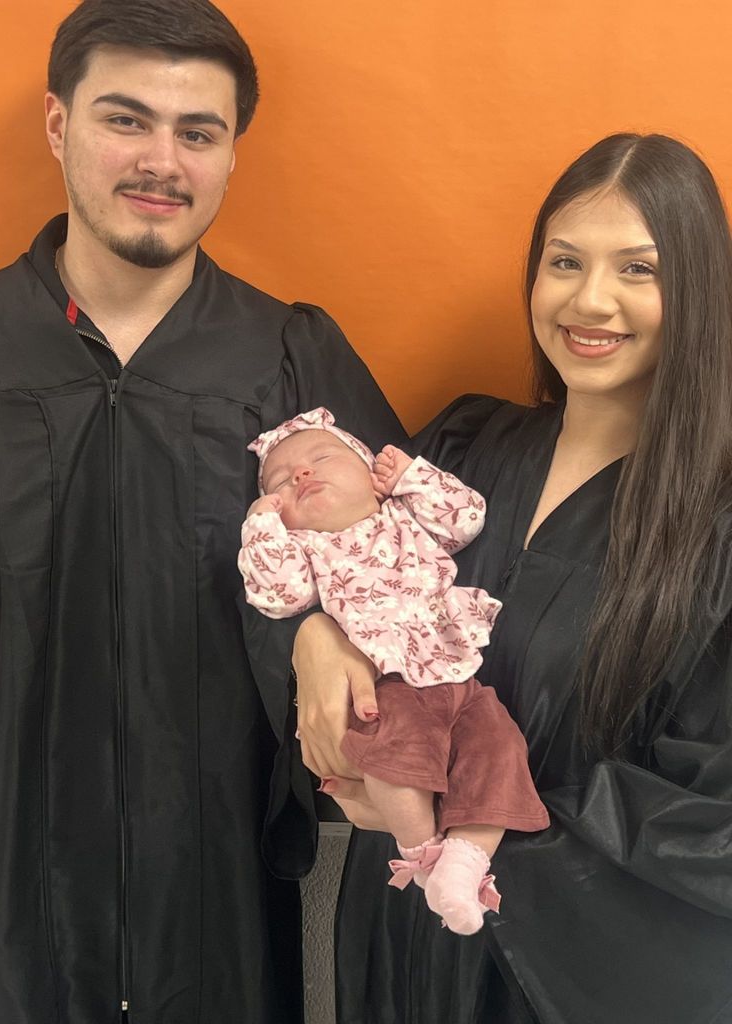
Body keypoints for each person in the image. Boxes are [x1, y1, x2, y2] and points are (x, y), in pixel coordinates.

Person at [0, 2, 404, 1022]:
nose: (161, 159)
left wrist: (324, 626)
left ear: (229, 154)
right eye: (125, 119)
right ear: (55, 121)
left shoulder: (289, 359)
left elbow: (408, 581)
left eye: (197, 132)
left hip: (218, 894)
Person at [292, 134, 732, 1023]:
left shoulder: (715, 522)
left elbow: (711, 814)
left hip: (575, 965)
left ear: (700, 292)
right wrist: (311, 633)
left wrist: (475, 817)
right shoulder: (464, 448)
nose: (590, 299)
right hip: (404, 933)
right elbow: (344, 570)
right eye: (564, 261)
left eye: (639, 270)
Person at [237, 406, 549, 934]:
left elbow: (466, 517)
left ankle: (465, 863)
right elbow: (276, 596)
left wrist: (411, 476)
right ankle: (423, 854)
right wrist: (263, 526)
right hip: (389, 683)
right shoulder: (308, 551)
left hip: (457, 675)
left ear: (373, 478)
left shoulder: (406, 517)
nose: (302, 475)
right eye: (280, 483)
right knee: (396, 758)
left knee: (500, 747)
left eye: (322, 457)